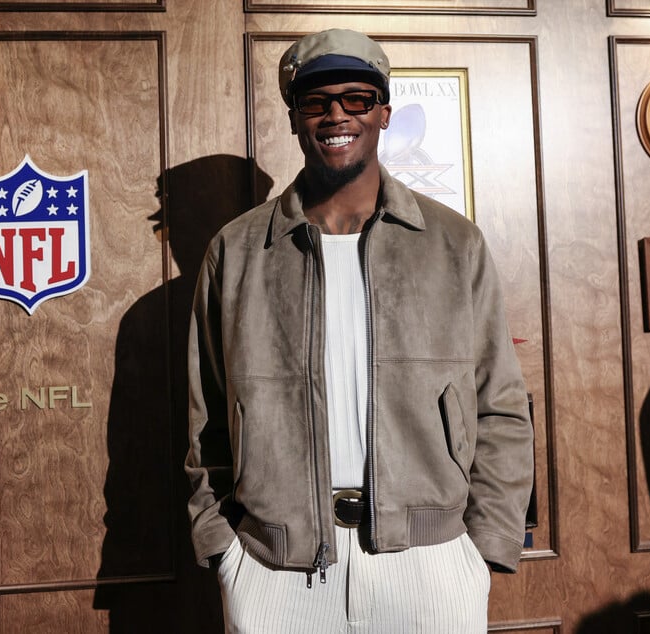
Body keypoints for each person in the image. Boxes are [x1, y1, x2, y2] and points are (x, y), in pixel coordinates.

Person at [185, 28, 535, 633]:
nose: (337, 115)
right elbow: (206, 414)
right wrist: (223, 548)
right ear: (295, 119)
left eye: (357, 98)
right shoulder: (237, 251)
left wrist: (483, 546)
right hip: (275, 570)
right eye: (316, 102)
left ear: (384, 113)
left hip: (429, 565)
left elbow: (499, 407)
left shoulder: (453, 244)